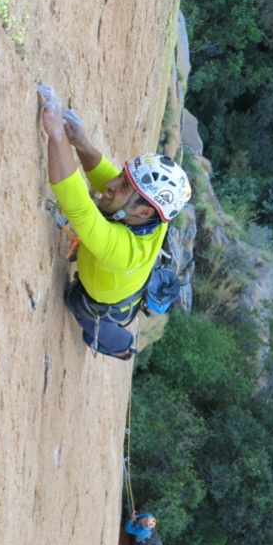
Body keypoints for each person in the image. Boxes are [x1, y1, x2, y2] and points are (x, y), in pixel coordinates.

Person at [38, 84, 191, 359]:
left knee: (77, 306)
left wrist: (57, 136)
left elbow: (80, 210)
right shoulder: (155, 212)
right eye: (123, 176)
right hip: (125, 287)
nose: (110, 183)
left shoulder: (126, 253)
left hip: (102, 306)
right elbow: (106, 178)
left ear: (144, 213)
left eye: (121, 187)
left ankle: (122, 349)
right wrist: (81, 143)